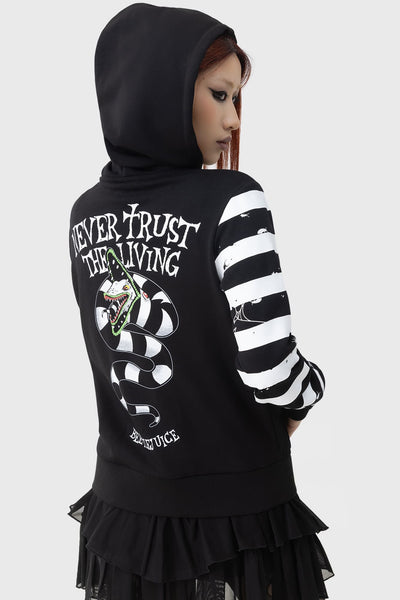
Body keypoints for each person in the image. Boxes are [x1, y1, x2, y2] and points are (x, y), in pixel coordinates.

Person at [67, 3, 335, 599]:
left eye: (237, 99)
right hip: (236, 522)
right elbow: (270, 368)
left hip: (126, 517)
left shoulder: (85, 214)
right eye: (219, 94)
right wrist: (311, 390)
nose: (233, 119)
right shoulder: (233, 201)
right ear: (161, 89)